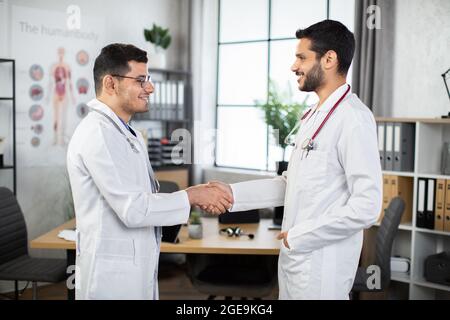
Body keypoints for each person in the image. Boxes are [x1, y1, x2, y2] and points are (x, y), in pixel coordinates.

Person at [208, 20, 382, 299]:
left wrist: (299, 236)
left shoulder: (353, 118)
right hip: (296, 261)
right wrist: (232, 194)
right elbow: (291, 183)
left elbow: (367, 206)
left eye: (301, 57)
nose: (293, 66)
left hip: (322, 265)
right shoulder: (314, 116)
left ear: (329, 59)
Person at [67, 43, 232, 300]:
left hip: (135, 267)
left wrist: (191, 196)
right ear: (111, 84)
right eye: (141, 80)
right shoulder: (99, 134)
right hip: (112, 277)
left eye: (149, 79)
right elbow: (133, 209)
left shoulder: (125, 132)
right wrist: (192, 196)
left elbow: (144, 199)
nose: (151, 88)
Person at [48, 47, 75, 146]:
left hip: (65, 93)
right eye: (59, 52)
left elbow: (70, 82)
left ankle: (62, 139)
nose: (60, 54)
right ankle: (55, 138)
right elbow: (50, 82)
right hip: (56, 93)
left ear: (64, 54)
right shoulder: (54, 67)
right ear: (57, 53)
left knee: (63, 117)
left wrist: (72, 96)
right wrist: (47, 96)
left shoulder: (67, 66)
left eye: (62, 52)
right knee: (56, 117)